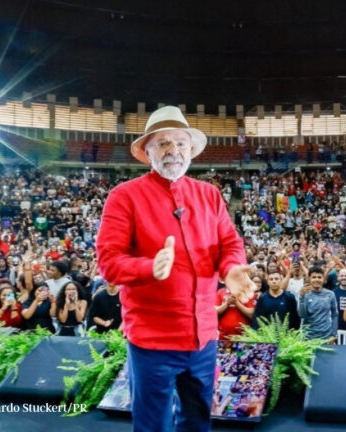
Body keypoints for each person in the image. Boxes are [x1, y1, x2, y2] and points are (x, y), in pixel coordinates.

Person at [96, 106, 254, 432]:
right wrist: (148, 268)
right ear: (148, 151)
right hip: (152, 342)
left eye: (181, 143)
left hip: (203, 339)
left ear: (191, 150)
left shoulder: (209, 195)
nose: (174, 150)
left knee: (197, 422)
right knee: (153, 425)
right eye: (163, 143)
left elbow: (229, 243)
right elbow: (109, 263)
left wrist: (232, 269)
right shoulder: (124, 196)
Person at [298, 266, 338, 341]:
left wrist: (334, 334)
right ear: (309, 279)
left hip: (327, 337)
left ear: (323, 279)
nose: (317, 279)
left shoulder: (330, 294)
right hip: (308, 337)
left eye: (319, 277)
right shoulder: (304, 294)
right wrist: (302, 297)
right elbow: (302, 315)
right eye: (314, 277)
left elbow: (334, 314)